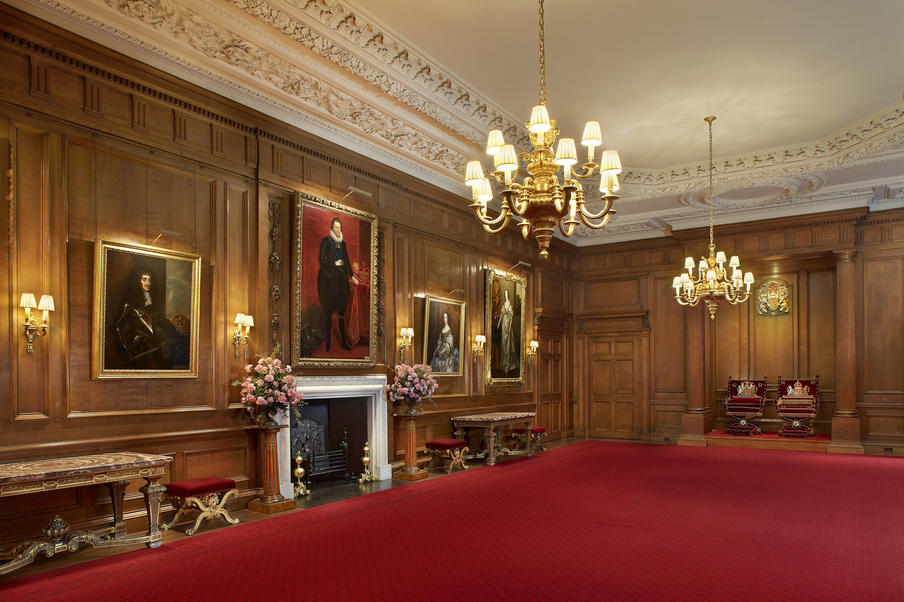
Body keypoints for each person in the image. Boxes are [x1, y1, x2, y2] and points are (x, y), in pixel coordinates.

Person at [114, 268, 181, 368]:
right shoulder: (128, 302)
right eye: (144, 279)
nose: (148, 282)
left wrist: (176, 335)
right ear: (137, 281)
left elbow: (161, 321)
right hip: (138, 346)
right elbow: (117, 327)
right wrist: (127, 352)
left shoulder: (151, 301)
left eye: (150, 280)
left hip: (154, 346)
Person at [317, 217, 360, 351]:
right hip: (328, 278)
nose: (337, 230)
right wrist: (333, 263)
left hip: (341, 279)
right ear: (331, 228)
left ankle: (343, 341)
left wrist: (352, 276)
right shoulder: (326, 241)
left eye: (339, 227)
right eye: (335, 227)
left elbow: (346, 261)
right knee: (328, 311)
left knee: (342, 310)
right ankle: (328, 342)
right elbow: (321, 259)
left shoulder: (343, 244)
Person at [497, 289, 516, 374]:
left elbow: (511, 317)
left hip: (508, 324)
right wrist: (498, 323)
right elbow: (501, 315)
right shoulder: (504, 304)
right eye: (505, 293)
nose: (506, 295)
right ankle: (503, 364)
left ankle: (508, 365)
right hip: (503, 325)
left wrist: (509, 327)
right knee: (503, 344)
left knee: (507, 344)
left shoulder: (509, 305)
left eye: (507, 293)